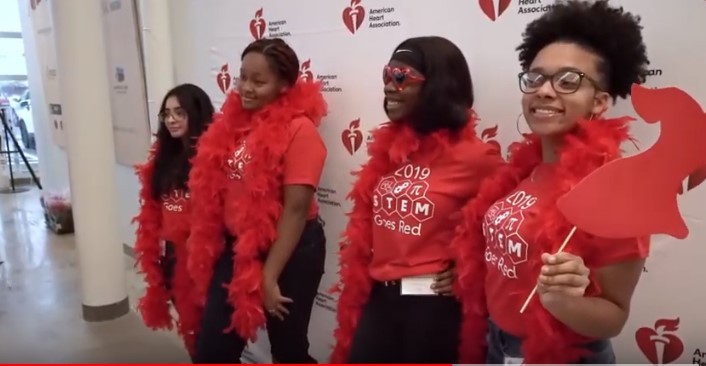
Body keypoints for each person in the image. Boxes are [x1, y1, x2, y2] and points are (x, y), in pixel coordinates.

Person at [452, 0, 651, 363]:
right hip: (494, 342)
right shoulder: (522, 171)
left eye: (568, 81)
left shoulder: (616, 193)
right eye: (535, 77)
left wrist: (563, 301)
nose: (544, 90)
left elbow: (613, 317)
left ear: (600, 102)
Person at [331, 36, 504, 363]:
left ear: (439, 86)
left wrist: (470, 264)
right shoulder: (391, 150)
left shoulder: (476, 158)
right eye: (386, 74)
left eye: (401, 77)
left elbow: (513, 221)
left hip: (431, 305)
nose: (388, 86)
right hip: (379, 296)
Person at [186, 38, 327, 363]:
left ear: (284, 86)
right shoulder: (234, 125)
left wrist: (269, 275)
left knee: (289, 352)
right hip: (239, 249)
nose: (246, 88)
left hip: (291, 251)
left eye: (259, 81)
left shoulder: (300, 130)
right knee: (212, 351)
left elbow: (295, 209)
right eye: (242, 77)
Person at [133, 83, 216, 357]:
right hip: (174, 257)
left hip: (207, 258)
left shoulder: (213, 157)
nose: (171, 119)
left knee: (213, 341)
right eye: (166, 113)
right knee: (192, 332)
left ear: (197, 112)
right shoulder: (164, 157)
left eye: (179, 112)